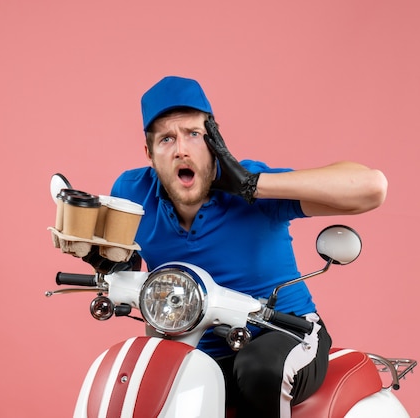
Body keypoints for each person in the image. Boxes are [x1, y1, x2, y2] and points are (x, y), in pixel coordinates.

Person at [88, 75, 388, 418]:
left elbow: (372, 188)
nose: (181, 149)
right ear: (150, 153)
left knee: (258, 367)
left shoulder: (253, 188)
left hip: (285, 334)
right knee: (133, 374)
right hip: (193, 350)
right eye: (167, 139)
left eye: (194, 135)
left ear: (214, 141)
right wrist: (106, 264)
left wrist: (252, 185)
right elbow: (126, 266)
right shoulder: (132, 192)